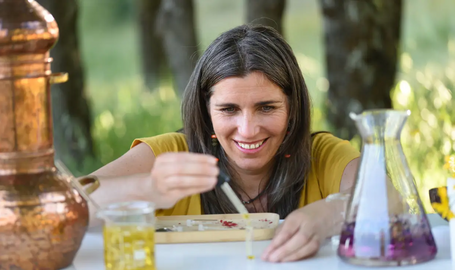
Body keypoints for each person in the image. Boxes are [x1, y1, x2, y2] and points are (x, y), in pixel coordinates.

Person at [89, 24, 360, 263]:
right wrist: (148, 188)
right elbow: (63, 206)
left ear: (292, 108)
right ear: (206, 112)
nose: (248, 130)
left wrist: (331, 214)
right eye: (229, 109)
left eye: (266, 108)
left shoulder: (323, 155)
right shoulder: (170, 154)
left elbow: (389, 200)